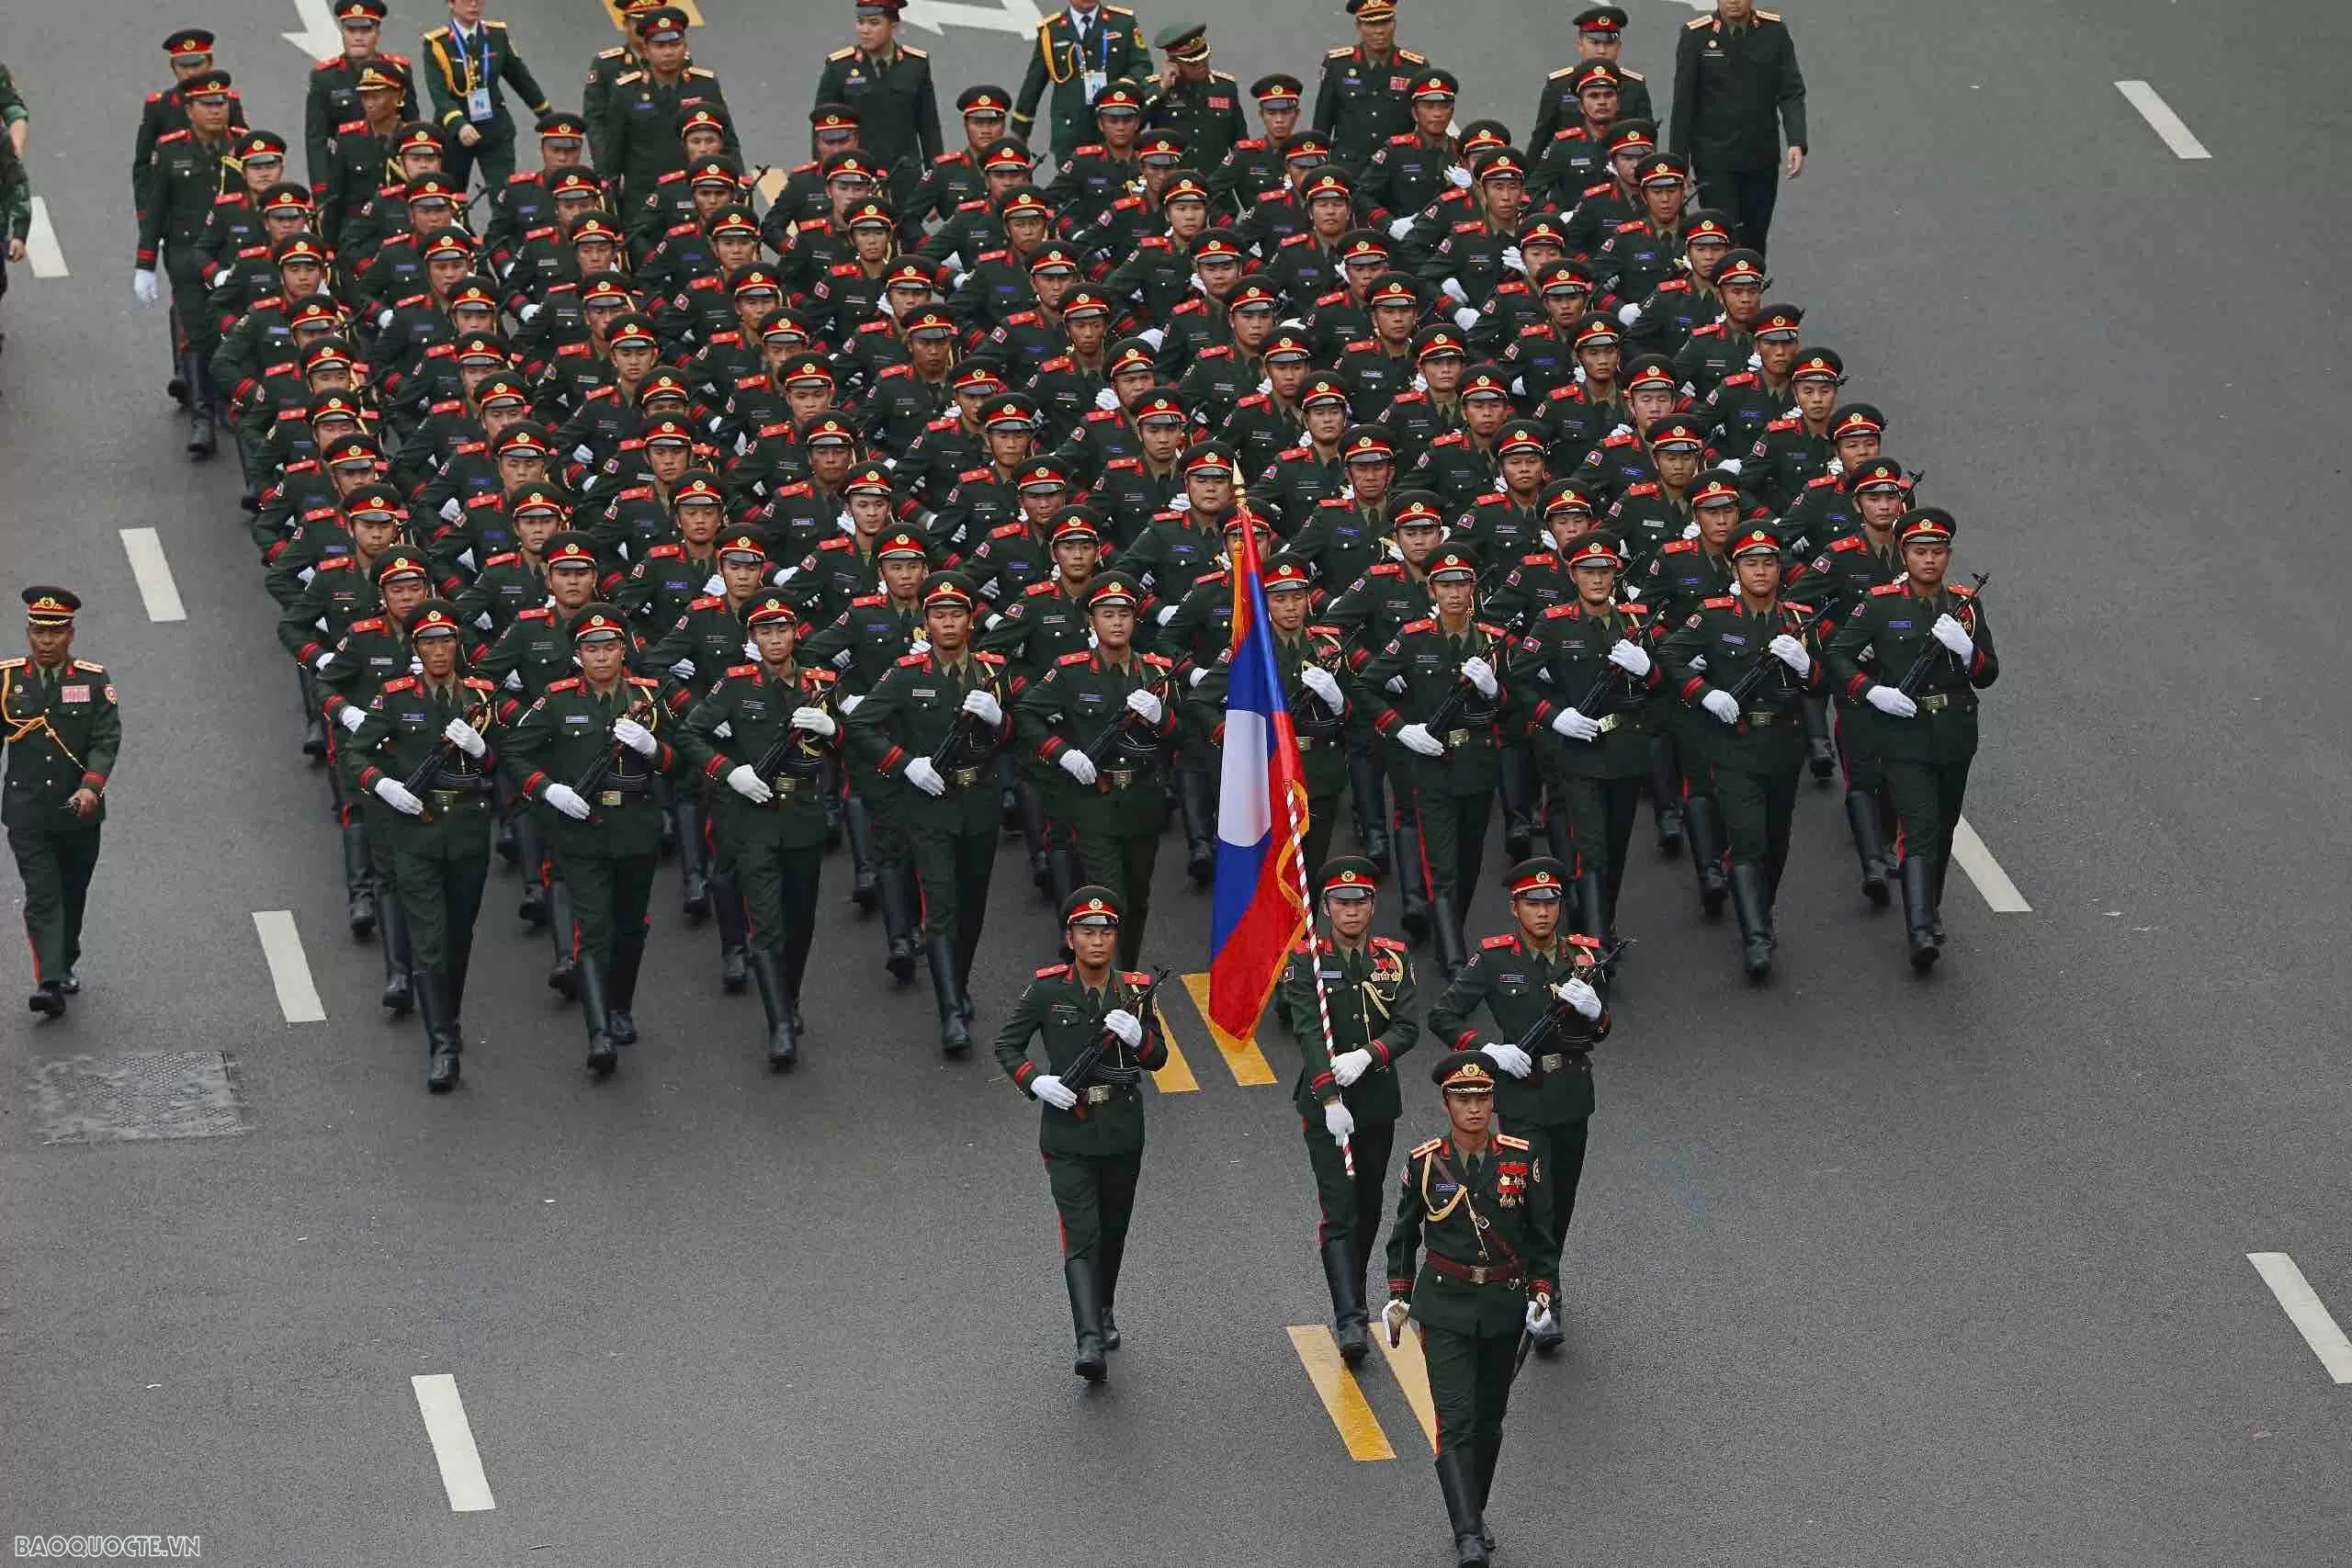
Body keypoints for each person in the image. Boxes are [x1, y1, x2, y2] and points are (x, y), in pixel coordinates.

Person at [1382, 1049, 1559, 1568]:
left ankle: (1472, 1513)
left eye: (1482, 1098)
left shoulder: (1520, 1159)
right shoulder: (1424, 1163)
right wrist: (1399, 1294)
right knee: (1455, 1420)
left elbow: (1541, 1237)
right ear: (1446, 1104)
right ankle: (1467, 1535)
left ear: (1493, 1101)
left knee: (1490, 1420)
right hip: (1446, 1306)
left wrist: (1542, 1292)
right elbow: (1403, 1235)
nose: (1475, 1108)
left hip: (1503, 1303)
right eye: (1463, 1099)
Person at [992, 886, 1171, 1382]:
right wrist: (1036, 1082)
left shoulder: (1133, 991)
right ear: (1070, 938)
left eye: (1106, 932)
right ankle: (1088, 1337)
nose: (1097, 941)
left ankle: (1104, 1307)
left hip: (1120, 1127)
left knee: (1113, 1230)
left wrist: (1141, 1038)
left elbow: (1158, 1061)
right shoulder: (1047, 990)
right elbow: (1007, 1045)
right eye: (1087, 932)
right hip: (1067, 1132)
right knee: (1082, 1233)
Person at [498, 605, 683, 1076]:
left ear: (624, 650)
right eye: (590, 649)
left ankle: (619, 1006)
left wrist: (652, 748)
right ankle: (598, 1028)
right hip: (580, 831)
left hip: (636, 828)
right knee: (593, 927)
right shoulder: (556, 701)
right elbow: (516, 752)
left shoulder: (648, 696)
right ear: (577, 655)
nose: (601, 657)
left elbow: (681, 758)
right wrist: (548, 789)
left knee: (630, 927)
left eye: (609, 647)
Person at [842, 572, 1013, 1055]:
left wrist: (1002, 720)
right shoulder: (906, 673)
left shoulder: (991, 673)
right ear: (926, 623)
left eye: (956, 613)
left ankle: (956, 982)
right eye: (939, 615)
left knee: (972, 905)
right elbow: (859, 723)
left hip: (979, 802)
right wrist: (904, 764)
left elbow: (1022, 733)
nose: (948, 623)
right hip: (930, 804)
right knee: (940, 906)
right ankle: (950, 1012)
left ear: (970, 620)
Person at [1824, 508, 1997, 970]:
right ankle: (1920, 928)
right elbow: (1838, 653)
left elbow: (1989, 674)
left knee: (1943, 826)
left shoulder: (1964, 604)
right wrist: (1871, 691)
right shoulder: (1880, 603)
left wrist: (1968, 650)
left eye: (1938, 552)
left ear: (1948, 556)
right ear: (1905, 553)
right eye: (1921, 551)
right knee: (1918, 828)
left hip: (1954, 733)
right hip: (1903, 734)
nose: (1930, 560)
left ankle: (1931, 908)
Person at [677, 591, 842, 1068]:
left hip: (805, 817)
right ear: (752, 638)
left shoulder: (820, 683)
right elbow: (691, 733)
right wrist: (728, 771)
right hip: (753, 816)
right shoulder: (734, 684)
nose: (775, 638)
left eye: (782, 629)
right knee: (766, 922)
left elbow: (855, 738)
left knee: (800, 919)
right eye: (764, 631)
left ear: (795, 632)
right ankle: (779, 1025)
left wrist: (834, 730)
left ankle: (789, 999)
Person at [338, 602, 497, 1091]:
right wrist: (382, 786)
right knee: (428, 937)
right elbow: (354, 752)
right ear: (415, 647)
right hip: (415, 829)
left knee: (459, 935)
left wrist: (483, 751)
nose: (438, 650)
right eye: (427, 642)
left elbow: (513, 756)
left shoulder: (481, 696)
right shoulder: (395, 697)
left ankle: (449, 1014)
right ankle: (442, 1045)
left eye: (445, 640)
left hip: (468, 828)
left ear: (457, 644)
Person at [1657, 525, 1822, 978]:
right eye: (1752, 563)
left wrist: (1808, 665)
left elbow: (1827, 681)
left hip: (1785, 744)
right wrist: (1703, 692)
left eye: (1769, 562)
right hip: (1734, 743)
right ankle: (1756, 936)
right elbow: (1669, 656)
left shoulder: (1797, 619)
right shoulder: (1712, 616)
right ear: (1736, 569)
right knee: (1747, 838)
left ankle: (1760, 910)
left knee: (1776, 838)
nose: (1762, 570)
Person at [1277, 856, 1419, 1365]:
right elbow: (1309, 1035)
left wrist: (1369, 1055)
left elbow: (1407, 1026)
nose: (1351, 911)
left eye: (1360, 902)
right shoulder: (1305, 963)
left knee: (1369, 1207)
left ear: (1373, 906)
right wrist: (1330, 1097)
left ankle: (1352, 1291)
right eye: (1341, 902)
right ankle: (1350, 1318)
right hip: (1327, 1109)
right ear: (1326, 908)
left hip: (1377, 1099)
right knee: (1340, 1210)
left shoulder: (1394, 960)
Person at [1012, 573, 1177, 964]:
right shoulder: (1071, 671)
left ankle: (1128, 974)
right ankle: (1111, 992)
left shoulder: (1154, 671)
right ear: (1092, 621)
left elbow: (1183, 735)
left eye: (1124, 613)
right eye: (1107, 614)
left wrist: (1163, 717)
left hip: (1143, 799)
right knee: (1108, 899)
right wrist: (1064, 753)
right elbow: (1027, 715)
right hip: (1093, 803)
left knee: (1137, 900)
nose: (1117, 622)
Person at [1357, 547, 1504, 978]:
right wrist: (1401, 729)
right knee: (1442, 866)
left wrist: (1495, 690)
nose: (1454, 593)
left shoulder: (1492, 639)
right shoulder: (1413, 636)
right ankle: (1454, 958)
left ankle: (1449, 933)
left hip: (1478, 763)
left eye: (1462, 584)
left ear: (1473, 588)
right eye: (1445, 585)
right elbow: (1366, 688)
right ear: (1431, 589)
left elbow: (1514, 705)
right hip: (1432, 762)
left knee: (1470, 860)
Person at [1507, 533, 1659, 942]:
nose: (1597, 579)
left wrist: (1649, 670)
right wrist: (1554, 717)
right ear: (1573, 575)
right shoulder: (1553, 623)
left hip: (1626, 751)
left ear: (1616, 574)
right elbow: (1519, 679)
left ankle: (1601, 918)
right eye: (1588, 571)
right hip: (1579, 751)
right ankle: (1595, 942)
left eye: (1605, 571)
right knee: (1590, 850)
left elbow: (1666, 684)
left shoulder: (1635, 621)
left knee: (1617, 845)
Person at [1, 589, 119, 1019]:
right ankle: (48, 982)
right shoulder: (9, 680)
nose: (45, 641)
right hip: (27, 810)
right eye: (38, 632)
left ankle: (65, 957)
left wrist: (91, 786)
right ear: (28, 633)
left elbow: (106, 740)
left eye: (54, 632)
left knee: (72, 893)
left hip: (78, 811)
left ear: (70, 634)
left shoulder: (91, 681)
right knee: (43, 895)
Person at [132, 68, 237, 457]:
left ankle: (229, 403)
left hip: (233, 256)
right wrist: (145, 264)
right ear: (188, 109)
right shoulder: (173, 151)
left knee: (235, 331)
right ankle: (202, 416)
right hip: (186, 257)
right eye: (206, 105)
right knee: (198, 332)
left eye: (220, 103)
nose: (215, 110)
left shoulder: (242, 148)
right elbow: (155, 210)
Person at [1668, 0, 1806, 256]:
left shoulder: (1774, 32)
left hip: (1760, 156)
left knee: (1754, 239)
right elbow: (1684, 103)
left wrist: (1796, 140)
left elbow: (1791, 91)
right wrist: (1679, 162)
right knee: (1723, 237)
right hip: (1714, 160)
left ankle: (1750, 294)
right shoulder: (1696, 36)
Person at [812, 0, 943, 209]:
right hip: (856, 178)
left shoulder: (915, 65)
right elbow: (822, 130)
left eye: (873, 23)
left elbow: (929, 128)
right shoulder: (839, 67)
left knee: (909, 239)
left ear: (894, 26)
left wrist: (936, 185)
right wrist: (822, 183)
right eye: (860, 22)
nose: (864, 30)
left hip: (904, 178)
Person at [419, 0, 552, 194]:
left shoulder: (496, 35)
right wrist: (460, 125)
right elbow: (439, 94)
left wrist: (548, 118)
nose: (473, 5)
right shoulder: (437, 43)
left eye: (478, 0)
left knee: (504, 194)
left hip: (495, 129)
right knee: (453, 196)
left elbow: (522, 80)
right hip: (455, 134)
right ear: (451, 3)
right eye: (466, 0)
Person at [1012, 0, 1148, 165]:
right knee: (1071, 188)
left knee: (1115, 185)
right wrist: (1020, 131)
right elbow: (1034, 83)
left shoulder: (1122, 22)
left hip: (1115, 127)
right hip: (1071, 132)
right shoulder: (1052, 30)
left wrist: (1124, 85)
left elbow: (1142, 64)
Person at [304, 0, 416, 197]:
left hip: (391, 172)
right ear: (342, 32)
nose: (358, 37)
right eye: (351, 30)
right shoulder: (325, 78)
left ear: (378, 33)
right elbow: (317, 140)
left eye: (366, 30)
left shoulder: (399, 71)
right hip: (346, 174)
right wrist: (321, 192)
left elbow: (412, 125)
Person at [1312, 0, 1431, 176]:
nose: (1379, 31)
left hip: (1396, 169)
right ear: (1358, 25)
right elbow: (1322, 123)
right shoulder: (1337, 65)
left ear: (1395, 24)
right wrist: (1318, 171)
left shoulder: (1415, 68)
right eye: (1371, 24)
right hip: (1349, 168)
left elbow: (1426, 125)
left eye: (1385, 22)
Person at [1142, 25, 1245, 173]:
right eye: (1193, 63)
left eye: (1204, 59)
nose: (1202, 66)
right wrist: (1162, 87)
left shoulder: (1225, 88)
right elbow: (1134, 125)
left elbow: (1241, 144)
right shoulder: (1157, 89)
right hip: (1172, 184)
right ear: (1173, 63)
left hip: (1216, 185)